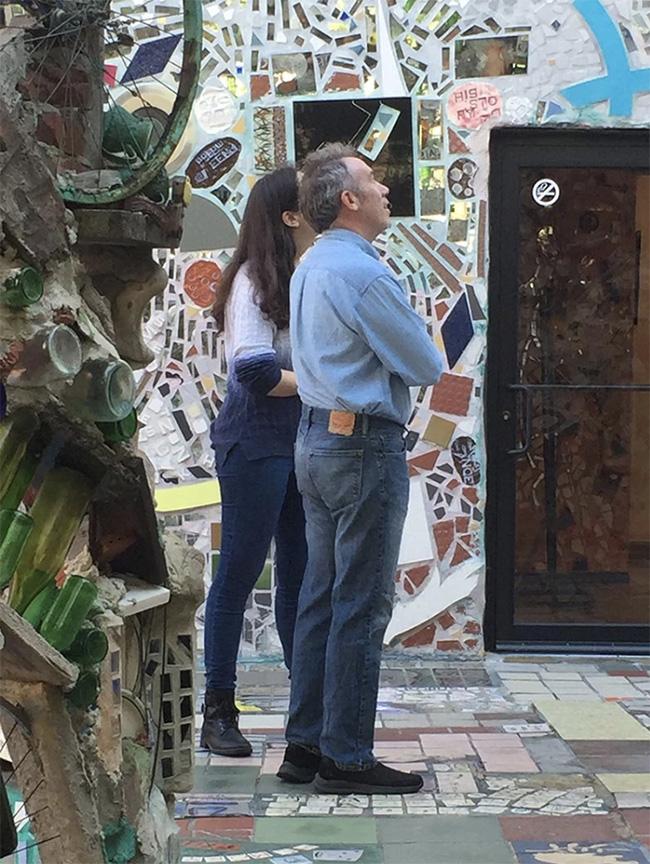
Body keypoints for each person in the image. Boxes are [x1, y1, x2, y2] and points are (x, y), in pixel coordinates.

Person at [276, 144, 444, 793]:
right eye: (373, 181)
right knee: (361, 604)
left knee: (320, 595)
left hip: (315, 443)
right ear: (348, 198)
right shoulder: (366, 275)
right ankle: (346, 757)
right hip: (363, 447)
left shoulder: (310, 265)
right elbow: (427, 366)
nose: (384, 189)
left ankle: (304, 745)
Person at [202, 166, 316, 757]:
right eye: (308, 197)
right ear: (288, 215)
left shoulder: (308, 274)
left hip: (299, 441)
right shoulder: (253, 278)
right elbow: (253, 369)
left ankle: (306, 718)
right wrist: (320, 385)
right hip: (253, 441)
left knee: (299, 578)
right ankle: (217, 711)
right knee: (240, 576)